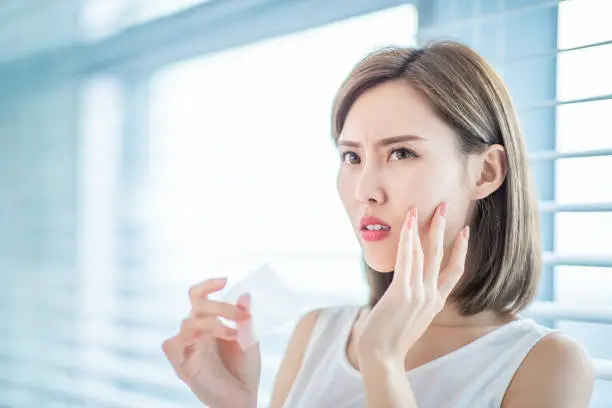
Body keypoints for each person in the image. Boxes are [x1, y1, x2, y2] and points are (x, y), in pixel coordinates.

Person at [161, 40, 595, 408]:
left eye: (401, 153)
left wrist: (383, 360)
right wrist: (236, 402)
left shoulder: (547, 365)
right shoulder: (317, 334)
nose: (364, 189)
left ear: (485, 173)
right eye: (352, 156)